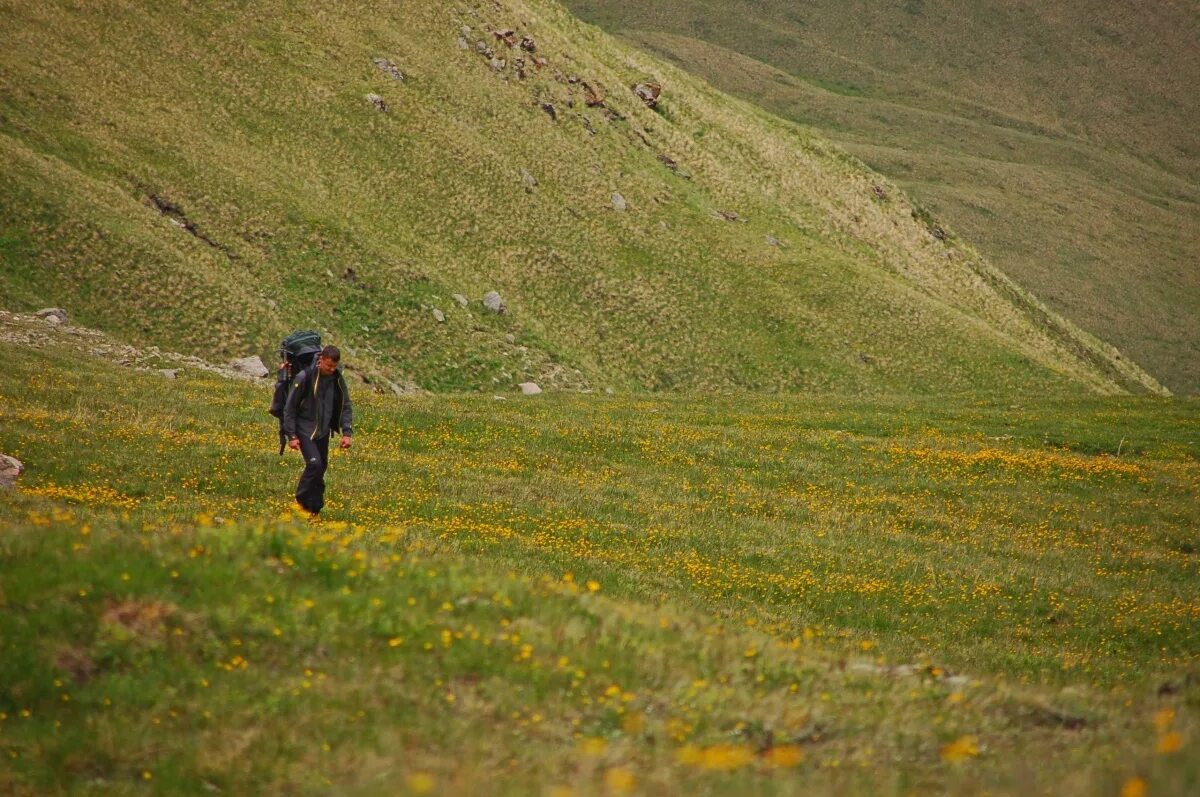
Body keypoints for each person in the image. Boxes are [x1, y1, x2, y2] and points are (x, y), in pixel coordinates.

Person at [283, 345, 353, 516]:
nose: (332, 369)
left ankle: (314, 509)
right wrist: (291, 435)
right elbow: (289, 408)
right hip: (305, 429)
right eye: (329, 365)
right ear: (321, 359)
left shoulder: (336, 378)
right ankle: (299, 501)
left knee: (321, 468)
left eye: (334, 366)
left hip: (323, 430)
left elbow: (346, 405)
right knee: (314, 465)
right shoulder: (305, 376)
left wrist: (346, 433)